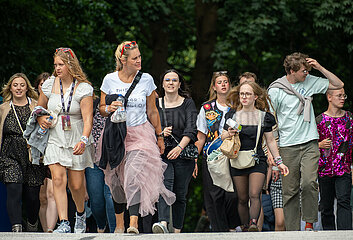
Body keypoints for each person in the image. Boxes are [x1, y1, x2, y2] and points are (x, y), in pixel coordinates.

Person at [99, 41, 175, 234]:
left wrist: (159, 136)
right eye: (135, 58)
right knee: (116, 183)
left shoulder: (146, 79)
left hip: (140, 134)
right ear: (123, 60)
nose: (139, 60)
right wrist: (109, 108)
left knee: (134, 176)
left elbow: (152, 110)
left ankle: (133, 223)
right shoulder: (109, 80)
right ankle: (119, 224)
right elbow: (101, 109)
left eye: (140, 56)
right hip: (116, 136)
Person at [268, 52, 344, 231]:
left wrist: (319, 68)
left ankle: (309, 223)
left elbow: (338, 84)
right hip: (287, 145)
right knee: (290, 190)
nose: (306, 74)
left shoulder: (309, 81)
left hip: (310, 142)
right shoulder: (276, 90)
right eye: (303, 71)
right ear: (292, 71)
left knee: (309, 182)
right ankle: (293, 230)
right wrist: (274, 155)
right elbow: (270, 122)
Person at [37, 47, 94, 233]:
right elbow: (39, 109)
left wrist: (84, 140)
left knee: (76, 185)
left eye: (61, 64)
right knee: (58, 179)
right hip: (55, 135)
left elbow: (88, 119)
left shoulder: (83, 88)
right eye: (55, 65)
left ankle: (80, 214)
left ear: (70, 65)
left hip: (77, 135)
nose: (57, 68)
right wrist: (41, 118)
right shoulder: (49, 85)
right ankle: (63, 222)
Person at [222, 81, 289, 231]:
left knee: (255, 194)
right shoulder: (232, 115)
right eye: (242, 94)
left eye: (248, 94)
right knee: (242, 198)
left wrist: (279, 162)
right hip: (237, 160)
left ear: (255, 97)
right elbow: (223, 137)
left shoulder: (264, 117)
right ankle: (246, 227)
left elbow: (271, 141)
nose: (244, 97)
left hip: (257, 159)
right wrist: (229, 133)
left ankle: (253, 224)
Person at [152, 69, 198, 233]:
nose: (170, 83)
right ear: (162, 84)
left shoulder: (188, 103)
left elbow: (192, 129)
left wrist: (179, 148)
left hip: (183, 154)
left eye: (174, 80)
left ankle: (177, 231)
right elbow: (149, 128)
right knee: (165, 185)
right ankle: (163, 224)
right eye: (167, 80)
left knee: (180, 194)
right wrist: (160, 133)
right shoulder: (156, 104)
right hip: (162, 153)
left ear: (179, 84)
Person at [0, 73, 46, 232]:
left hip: (32, 154)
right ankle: (16, 228)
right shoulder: (3, 108)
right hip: (9, 153)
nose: (18, 88)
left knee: (33, 196)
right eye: (15, 85)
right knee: (14, 188)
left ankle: (32, 224)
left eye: (22, 85)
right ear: (10, 88)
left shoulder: (36, 106)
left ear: (27, 87)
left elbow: (45, 128)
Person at [195, 71, 240, 232]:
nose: (223, 84)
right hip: (211, 156)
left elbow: (244, 128)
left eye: (226, 81)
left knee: (233, 194)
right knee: (214, 196)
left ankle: (232, 226)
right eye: (219, 82)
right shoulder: (206, 108)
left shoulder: (238, 106)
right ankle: (219, 231)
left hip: (233, 155)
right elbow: (201, 136)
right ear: (214, 86)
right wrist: (195, 159)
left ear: (229, 85)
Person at [316, 88, 352, 230]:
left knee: (344, 202)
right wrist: (318, 144)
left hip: (344, 169)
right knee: (326, 206)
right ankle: (329, 236)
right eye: (339, 95)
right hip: (324, 169)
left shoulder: (349, 118)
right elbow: (309, 144)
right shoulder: (319, 120)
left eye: (344, 95)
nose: (342, 98)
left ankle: (346, 235)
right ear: (329, 97)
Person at [85, 96, 116, 233]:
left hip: (113, 161)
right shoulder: (93, 105)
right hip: (93, 160)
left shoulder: (124, 104)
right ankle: (101, 227)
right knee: (96, 200)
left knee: (110, 197)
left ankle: (115, 232)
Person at [34, 72, 58, 233]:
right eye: (41, 84)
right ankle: (44, 232)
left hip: (54, 150)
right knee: (42, 197)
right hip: (38, 155)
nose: (44, 87)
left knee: (51, 192)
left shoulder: (57, 104)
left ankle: (51, 230)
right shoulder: (34, 107)